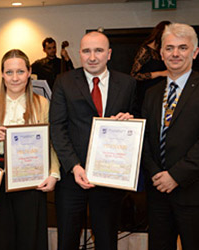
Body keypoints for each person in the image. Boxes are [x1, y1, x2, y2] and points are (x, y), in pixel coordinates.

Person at [49, 31, 136, 250]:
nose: (92, 57)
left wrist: (128, 121)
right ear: (80, 54)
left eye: (98, 50)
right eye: (86, 51)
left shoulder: (127, 84)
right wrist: (74, 166)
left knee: (106, 240)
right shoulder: (64, 81)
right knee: (67, 240)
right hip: (72, 177)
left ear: (109, 54)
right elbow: (57, 128)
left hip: (109, 178)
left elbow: (136, 126)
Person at [0, 49, 60, 250]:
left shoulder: (42, 103)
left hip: (30, 178)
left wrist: (53, 174)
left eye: (20, 72)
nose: (15, 78)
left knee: (29, 238)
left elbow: (51, 143)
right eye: (9, 72)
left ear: (29, 72)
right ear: (2, 74)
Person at [142, 23, 199, 250]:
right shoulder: (151, 93)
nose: (175, 54)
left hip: (193, 193)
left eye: (182, 47)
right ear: (161, 54)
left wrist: (175, 175)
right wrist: (156, 174)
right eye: (169, 48)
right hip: (158, 191)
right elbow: (146, 139)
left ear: (195, 52)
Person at [131, 21, 171, 115]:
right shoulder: (145, 50)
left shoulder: (162, 51)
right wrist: (160, 73)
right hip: (145, 92)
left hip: (161, 92)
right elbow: (134, 75)